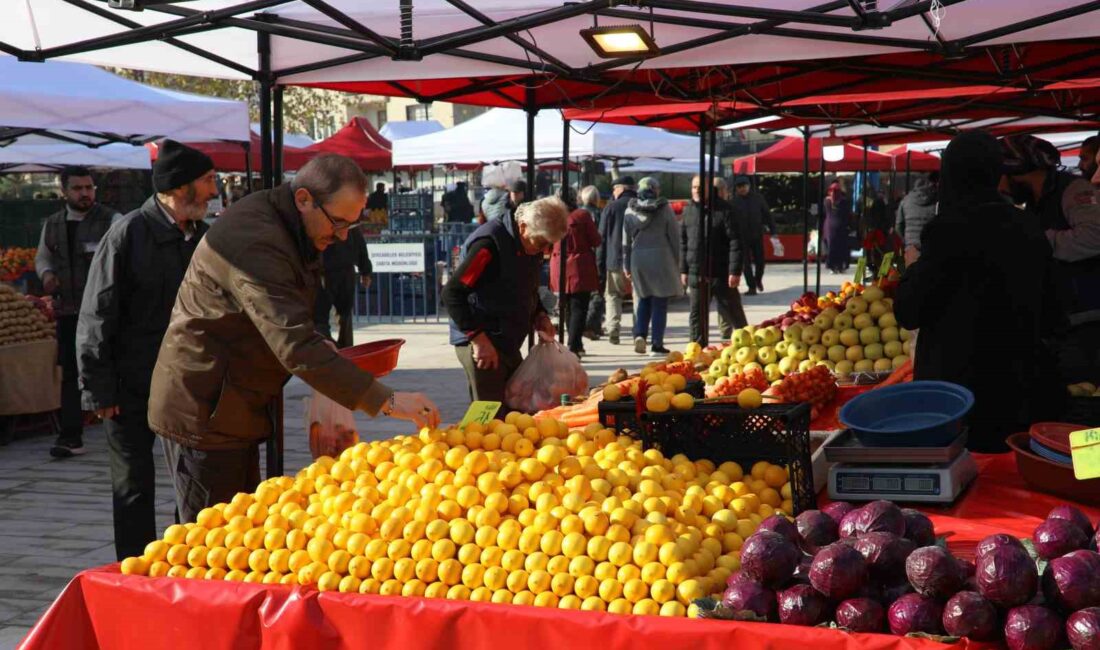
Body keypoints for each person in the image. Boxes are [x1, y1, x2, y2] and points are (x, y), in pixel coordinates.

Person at [147, 154, 439, 523]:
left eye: (353, 225)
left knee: (241, 529)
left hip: (236, 403)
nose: (342, 236)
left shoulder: (291, 226)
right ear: (303, 199)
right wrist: (388, 400)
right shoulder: (256, 241)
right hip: (205, 408)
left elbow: (295, 312)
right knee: (212, 536)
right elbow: (293, 343)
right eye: (338, 223)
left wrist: (323, 343)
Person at [75, 141, 216, 560]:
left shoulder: (203, 239)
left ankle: (186, 563)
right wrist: (99, 390)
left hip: (184, 386)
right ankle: (134, 571)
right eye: (207, 181)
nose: (214, 190)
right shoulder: (128, 234)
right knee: (132, 487)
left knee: (191, 483)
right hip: (127, 386)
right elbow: (96, 316)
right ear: (181, 187)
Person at [895, 131, 1061, 453]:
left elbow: (908, 310)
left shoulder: (946, 231)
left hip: (956, 402)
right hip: (1017, 394)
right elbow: (1054, 311)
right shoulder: (1027, 226)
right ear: (995, 172)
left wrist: (914, 266)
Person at [443, 196, 567, 405]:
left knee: (515, 406)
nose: (545, 251)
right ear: (523, 226)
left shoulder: (529, 245)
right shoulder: (489, 245)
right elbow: (453, 293)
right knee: (490, 415)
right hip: (483, 340)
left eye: (550, 245)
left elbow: (526, 288)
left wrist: (539, 314)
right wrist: (479, 340)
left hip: (506, 339)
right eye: (541, 243)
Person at [34, 166, 121, 458]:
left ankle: (122, 432)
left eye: (89, 187)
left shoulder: (112, 220)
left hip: (105, 315)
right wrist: (46, 274)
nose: (85, 193)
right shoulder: (53, 224)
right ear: (64, 191)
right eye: (78, 188)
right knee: (71, 374)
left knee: (111, 369)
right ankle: (70, 436)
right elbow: (43, 257)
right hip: (69, 312)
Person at [1000, 134, 1100, 380]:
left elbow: (1093, 237)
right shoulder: (1035, 200)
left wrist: (1034, 240)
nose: (1002, 188)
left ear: (1018, 171)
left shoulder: (1074, 190)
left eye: (1003, 178)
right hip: (1061, 320)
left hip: (1087, 321)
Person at [681, 176, 747, 344]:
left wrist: (735, 271)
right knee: (697, 315)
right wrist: (683, 269)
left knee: (733, 312)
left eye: (700, 187)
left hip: (721, 271)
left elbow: (736, 241)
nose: (696, 190)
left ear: (710, 189)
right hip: (697, 272)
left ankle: (747, 344)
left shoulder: (725, 210)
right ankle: (697, 349)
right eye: (694, 187)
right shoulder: (688, 210)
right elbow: (683, 242)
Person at [623, 177, 681, 356]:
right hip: (661, 257)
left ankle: (640, 334)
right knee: (659, 301)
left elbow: (624, 241)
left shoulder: (629, 210)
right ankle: (657, 344)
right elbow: (674, 237)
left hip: (638, 258)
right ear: (656, 190)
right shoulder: (665, 209)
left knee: (643, 298)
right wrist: (677, 262)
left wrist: (626, 265)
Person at [549, 200, 601, 358]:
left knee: (567, 306)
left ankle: (576, 344)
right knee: (579, 306)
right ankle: (573, 345)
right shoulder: (582, 215)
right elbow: (596, 240)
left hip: (558, 264)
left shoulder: (553, 217)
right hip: (579, 265)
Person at [314, 225, 372, 348]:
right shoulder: (346, 216)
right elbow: (359, 242)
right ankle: (341, 347)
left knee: (323, 317)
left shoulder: (321, 215)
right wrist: (365, 270)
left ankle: (333, 348)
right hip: (336, 269)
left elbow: (359, 241)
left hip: (328, 271)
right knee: (340, 315)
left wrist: (365, 269)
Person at [596, 176, 637, 345]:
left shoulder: (610, 207)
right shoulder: (639, 205)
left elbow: (601, 238)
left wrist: (599, 263)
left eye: (614, 189)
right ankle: (638, 331)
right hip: (637, 260)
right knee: (638, 296)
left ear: (620, 188)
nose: (613, 192)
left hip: (614, 259)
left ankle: (613, 328)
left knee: (613, 295)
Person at [731, 175, 777, 295]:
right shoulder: (733, 202)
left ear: (749, 186)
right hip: (741, 237)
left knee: (760, 261)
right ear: (736, 188)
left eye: (744, 186)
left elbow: (767, 215)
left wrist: (773, 231)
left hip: (756, 235)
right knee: (745, 264)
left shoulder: (758, 198)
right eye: (739, 187)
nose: (742, 189)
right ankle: (751, 287)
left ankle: (758, 280)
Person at [578, 186, 606, 341]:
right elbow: (599, 237)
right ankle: (591, 326)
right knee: (597, 293)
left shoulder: (578, 214)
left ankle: (592, 325)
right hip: (595, 255)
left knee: (586, 295)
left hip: (582, 257)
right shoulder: (598, 214)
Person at [895, 172, 939, 263]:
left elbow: (898, 226)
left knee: (911, 275)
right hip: (930, 248)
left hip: (911, 248)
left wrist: (907, 241)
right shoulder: (936, 200)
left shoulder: (905, 200)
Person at [823, 180, 852, 273]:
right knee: (841, 247)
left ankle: (832, 266)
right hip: (841, 226)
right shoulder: (844, 202)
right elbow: (848, 214)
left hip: (829, 226)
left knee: (831, 247)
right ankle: (840, 266)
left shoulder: (826, 201)